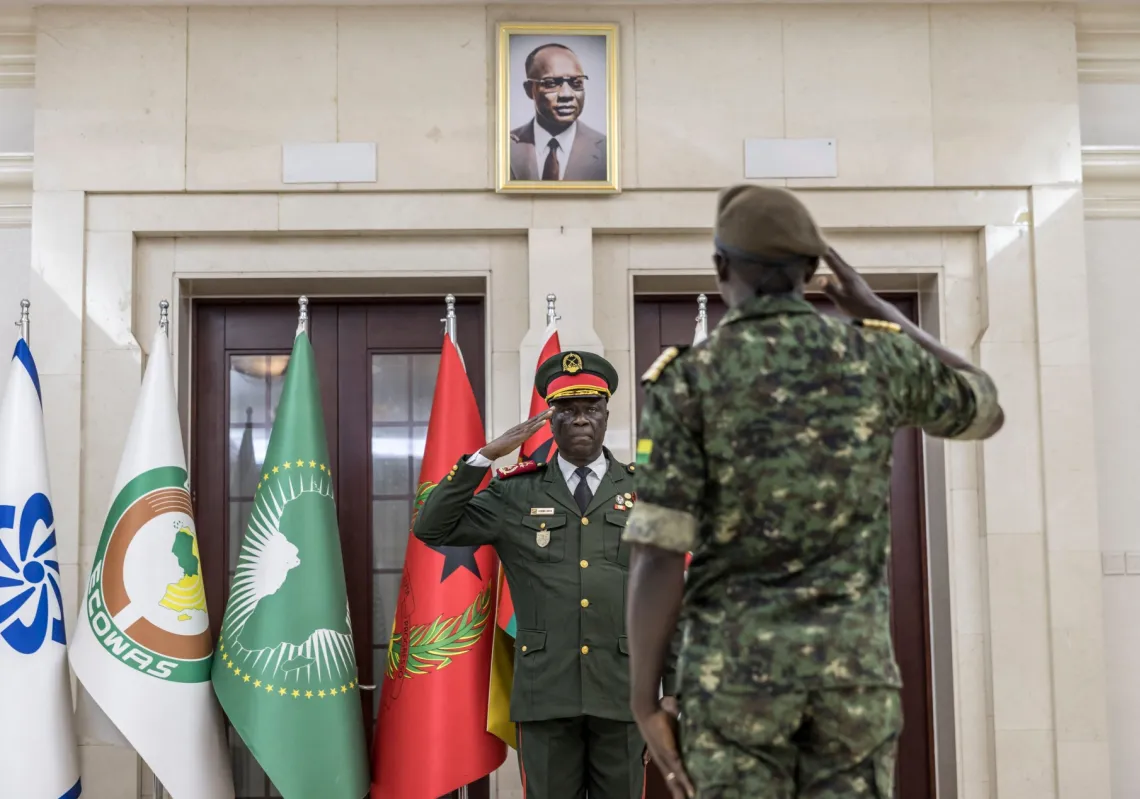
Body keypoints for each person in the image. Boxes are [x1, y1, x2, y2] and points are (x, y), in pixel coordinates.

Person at [621, 185, 1005, 799]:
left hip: (735, 681)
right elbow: (983, 405)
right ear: (811, 272)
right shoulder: (876, 359)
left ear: (721, 267)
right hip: (851, 682)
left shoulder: (690, 379)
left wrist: (644, 703)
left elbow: (658, 553)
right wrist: (879, 308)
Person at [413, 350, 654, 799]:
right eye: (567, 410)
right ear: (550, 419)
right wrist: (486, 457)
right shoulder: (515, 491)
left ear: (606, 415)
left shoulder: (646, 491)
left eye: (591, 409)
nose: (580, 419)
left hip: (623, 690)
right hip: (546, 691)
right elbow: (432, 527)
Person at [510, 43, 607, 182]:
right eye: (551, 84)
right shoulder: (504, 147)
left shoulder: (608, 151)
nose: (566, 94)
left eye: (576, 83)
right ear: (529, 90)